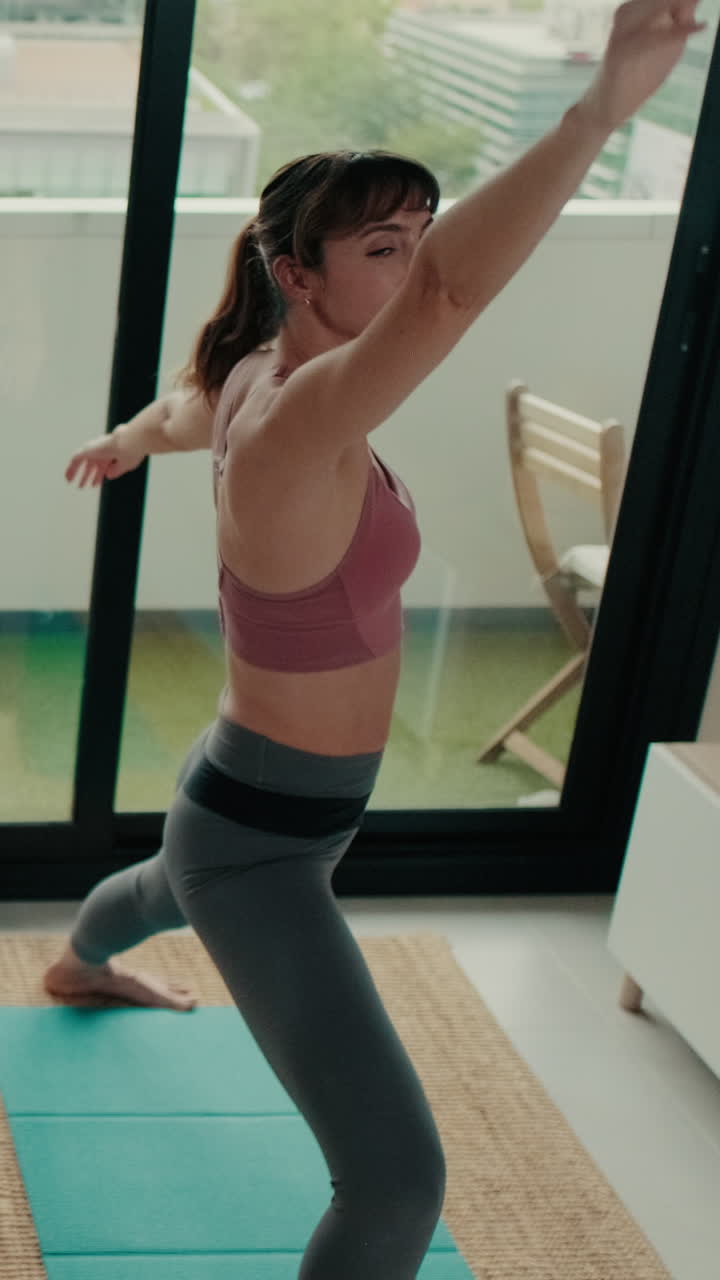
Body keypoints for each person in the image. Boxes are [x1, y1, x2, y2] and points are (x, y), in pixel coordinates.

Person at [42, 2, 706, 1273]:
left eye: (415, 240)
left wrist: (126, 439)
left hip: (238, 790)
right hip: (264, 845)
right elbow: (453, 298)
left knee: (155, 884)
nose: (412, 267)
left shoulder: (257, 375)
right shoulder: (299, 419)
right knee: (398, 1182)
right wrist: (596, 114)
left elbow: (186, 407)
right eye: (385, 247)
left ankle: (78, 961)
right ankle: (91, 950)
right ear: (301, 273)